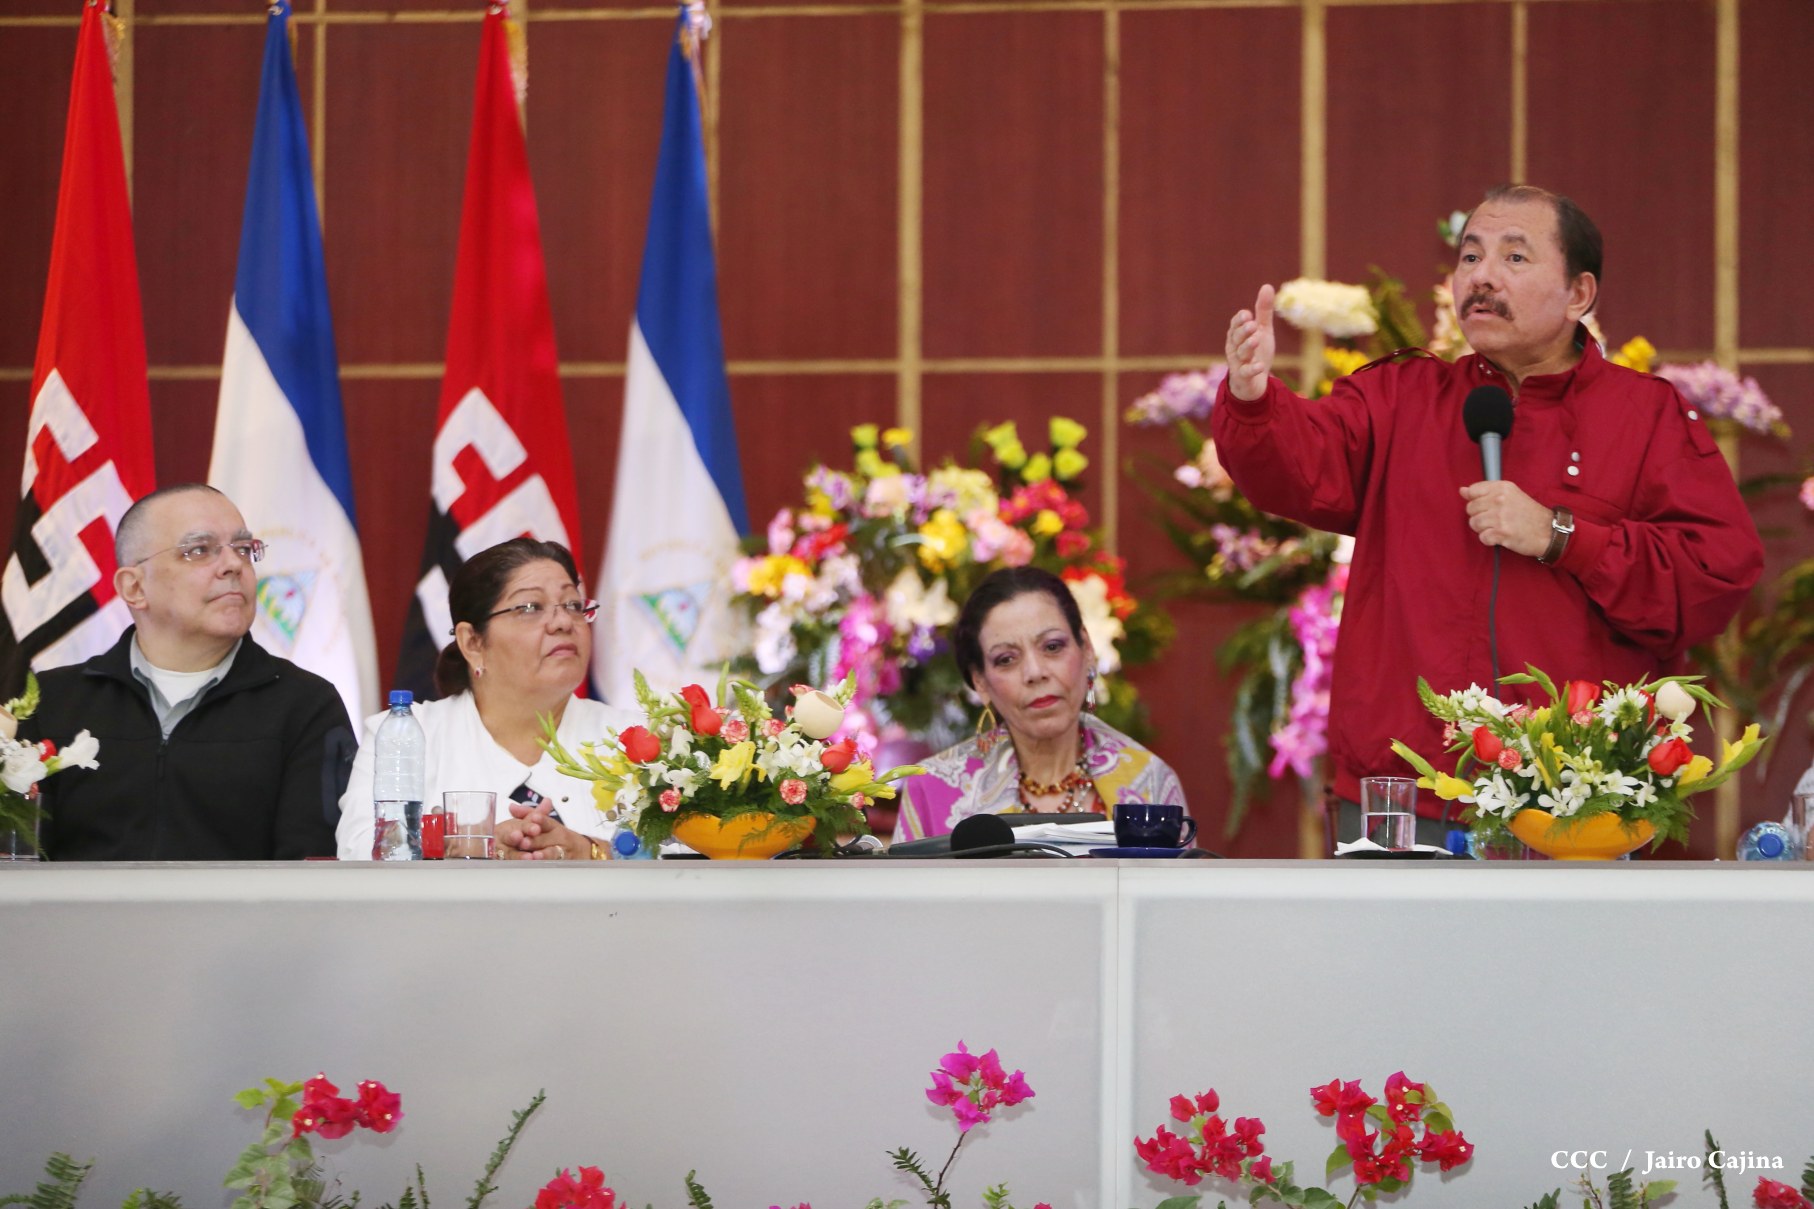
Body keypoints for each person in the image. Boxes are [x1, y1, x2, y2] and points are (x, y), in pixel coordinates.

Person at [1212, 184, 1763, 841]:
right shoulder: (1402, 398)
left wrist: (1562, 536)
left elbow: (1714, 574)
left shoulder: (1645, 417)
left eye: (1515, 257)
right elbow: (1300, 465)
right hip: (1402, 790)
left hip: (1571, 797)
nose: (1482, 276)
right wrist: (1252, 400)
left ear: (1579, 294)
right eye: (1471, 256)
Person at [20, 484, 352, 859]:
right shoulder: (52, 702)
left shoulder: (306, 704)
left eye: (244, 549)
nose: (233, 565)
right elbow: (19, 859)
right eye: (199, 550)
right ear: (134, 587)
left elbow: (311, 869)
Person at [336, 538, 637, 860]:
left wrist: (592, 852)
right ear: (472, 643)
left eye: (573, 605)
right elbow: (359, 850)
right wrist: (466, 845)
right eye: (530, 608)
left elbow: (676, 852)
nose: (563, 622)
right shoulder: (406, 734)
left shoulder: (638, 739)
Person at [892, 566, 1185, 841]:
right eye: (1006, 659)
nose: (1035, 672)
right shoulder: (931, 790)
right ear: (980, 681)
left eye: (1053, 647)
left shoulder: (1150, 782)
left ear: (1087, 649)